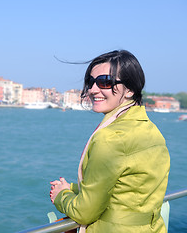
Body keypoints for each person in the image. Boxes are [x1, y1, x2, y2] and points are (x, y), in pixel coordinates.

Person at [49, 50, 170, 233]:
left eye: (105, 82)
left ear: (129, 89)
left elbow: (84, 213)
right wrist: (73, 187)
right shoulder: (151, 130)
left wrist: (62, 195)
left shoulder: (110, 138)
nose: (92, 89)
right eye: (91, 82)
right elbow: (127, 190)